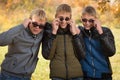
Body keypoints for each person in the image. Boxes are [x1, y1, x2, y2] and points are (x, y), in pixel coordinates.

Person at [0, 8, 49, 80]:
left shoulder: (41, 33)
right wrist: (22, 26)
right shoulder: (19, 31)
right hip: (9, 75)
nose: (37, 28)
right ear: (29, 20)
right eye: (34, 24)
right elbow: (1, 40)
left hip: (26, 76)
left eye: (41, 26)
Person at [42, 4, 85, 80]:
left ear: (70, 18)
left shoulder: (76, 31)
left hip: (76, 75)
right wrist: (54, 32)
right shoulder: (49, 32)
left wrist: (74, 34)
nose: (63, 21)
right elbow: (47, 56)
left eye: (67, 18)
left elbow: (82, 55)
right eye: (61, 18)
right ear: (56, 17)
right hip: (58, 76)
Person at [79, 6, 116, 80]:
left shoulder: (105, 31)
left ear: (96, 19)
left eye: (91, 21)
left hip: (104, 75)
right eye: (84, 20)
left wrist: (101, 33)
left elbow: (111, 52)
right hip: (86, 76)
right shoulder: (80, 32)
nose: (87, 23)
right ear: (81, 18)